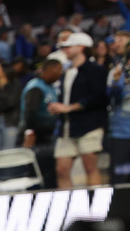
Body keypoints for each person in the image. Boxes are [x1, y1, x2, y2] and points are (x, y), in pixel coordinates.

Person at [49, 32, 107, 188]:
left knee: (90, 167)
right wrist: (58, 107)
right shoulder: (66, 72)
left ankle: (97, 207)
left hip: (89, 124)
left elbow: (98, 97)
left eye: (69, 47)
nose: (65, 50)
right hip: (68, 126)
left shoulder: (96, 70)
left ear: (81, 47)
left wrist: (68, 108)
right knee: (61, 169)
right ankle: (66, 207)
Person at [21, 58, 64, 189]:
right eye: (58, 71)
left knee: (50, 173)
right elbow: (30, 112)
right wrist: (30, 131)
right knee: (38, 175)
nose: (59, 75)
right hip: (38, 138)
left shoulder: (50, 87)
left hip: (48, 136)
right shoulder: (35, 87)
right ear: (48, 70)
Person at [108, 31, 130, 184]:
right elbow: (110, 96)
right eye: (115, 41)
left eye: (121, 40)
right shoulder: (116, 71)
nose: (117, 43)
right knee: (120, 176)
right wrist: (116, 82)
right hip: (121, 131)